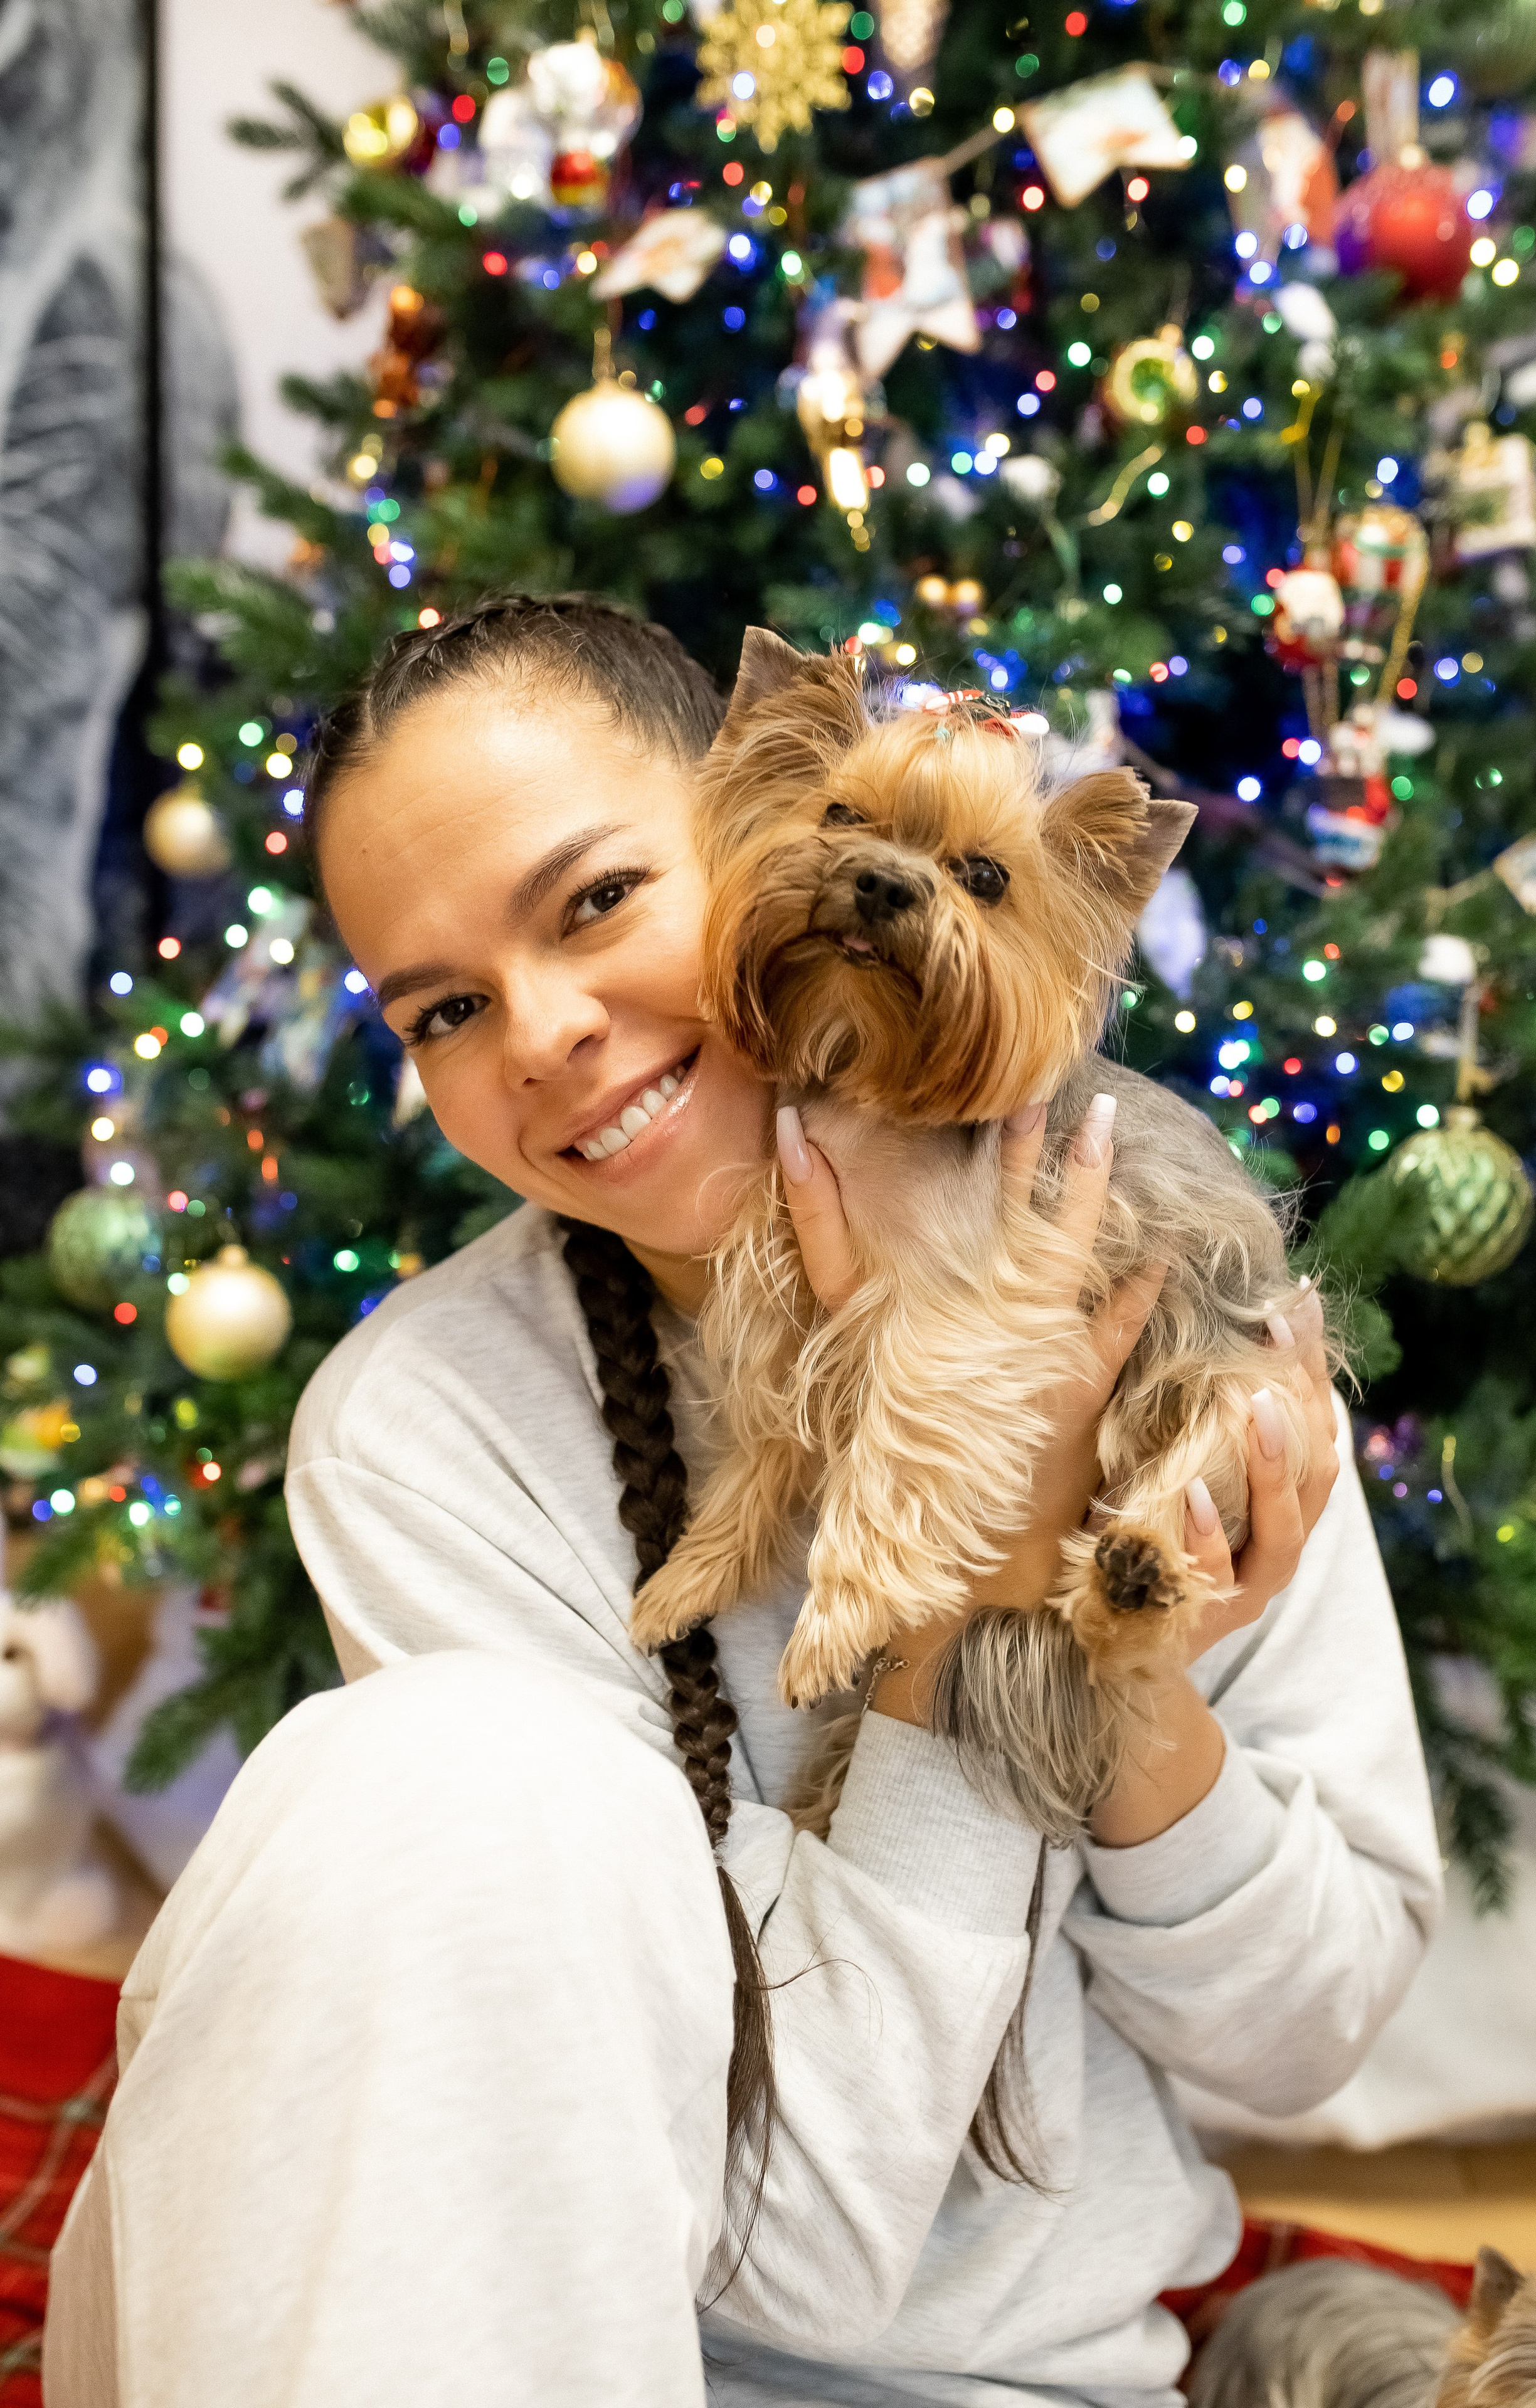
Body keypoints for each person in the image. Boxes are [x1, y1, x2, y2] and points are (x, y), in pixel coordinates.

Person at [46, 596, 1442, 2408]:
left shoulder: (1155, 1302)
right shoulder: (424, 1436)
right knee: (429, 1765)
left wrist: (1114, 1661)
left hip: (1024, 2380)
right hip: (520, 2325)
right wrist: (967, 1588)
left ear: (774, 813)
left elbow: (1301, 2035)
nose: (544, 1032)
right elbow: (798, 2231)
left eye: (598, 900)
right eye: (448, 1008)